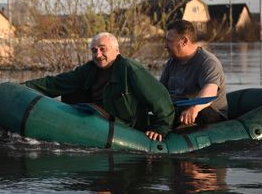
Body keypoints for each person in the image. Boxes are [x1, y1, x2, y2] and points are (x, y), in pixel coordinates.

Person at [24, 32, 174, 141]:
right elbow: (55, 83)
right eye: (94, 50)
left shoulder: (129, 69)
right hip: (98, 120)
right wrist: (22, 88)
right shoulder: (89, 69)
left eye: (103, 49)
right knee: (71, 90)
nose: (98, 54)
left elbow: (160, 97)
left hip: (126, 125)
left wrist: (161, 127)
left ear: (116, 50)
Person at [160, 19, 228, 127]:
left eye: (169, 41)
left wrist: (194, 108)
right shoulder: (172, 62)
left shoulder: (208, 62)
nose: (165, 45)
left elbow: (210, 90)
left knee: (197, 112)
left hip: (208, 114)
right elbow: (160, 90)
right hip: (177, 110)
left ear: (184, 41)